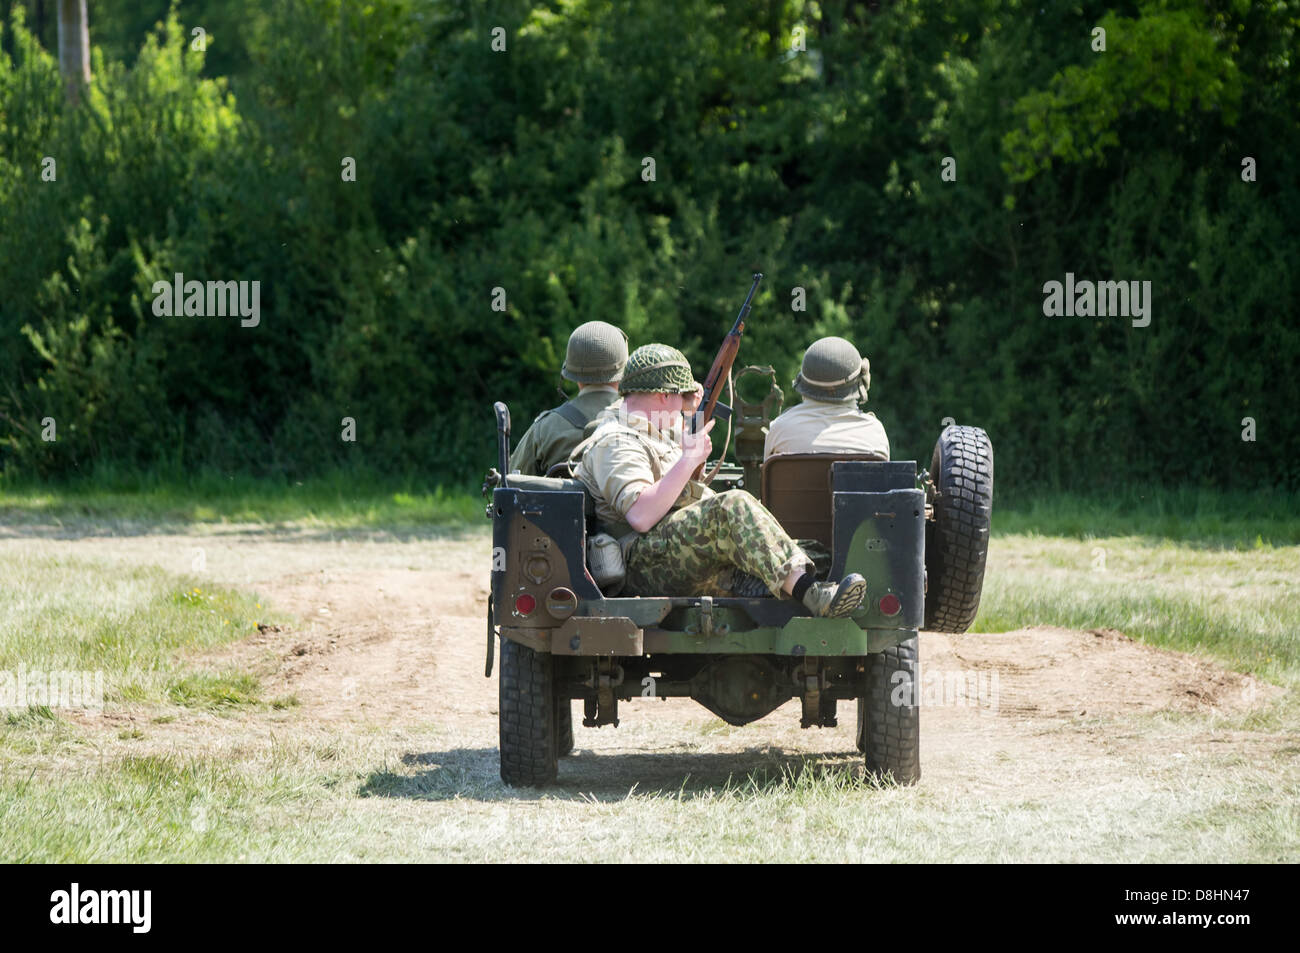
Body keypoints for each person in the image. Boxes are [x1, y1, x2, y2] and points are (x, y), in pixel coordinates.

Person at [573, 344, 867, 618]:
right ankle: (812, 595)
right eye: (685, 396)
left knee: (812, 552)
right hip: (641, 564)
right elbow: (640, 515)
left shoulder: (652, 430)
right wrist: (687, 459)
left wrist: (690, 439)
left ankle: (752, 580)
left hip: (672, 550)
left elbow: (673, 486)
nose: (688, 405)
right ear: (664, 396)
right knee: (732, 505)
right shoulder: (616, 441)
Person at [509, 321, 629, 476]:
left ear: (571, 373)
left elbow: (511, 486)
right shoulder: (646, 422)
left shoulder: (545, 428)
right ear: (624, 372)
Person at [763, 336, 890, 459]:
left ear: (803, 385)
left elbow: (766, 479)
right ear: (861, 385)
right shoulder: (874, 432)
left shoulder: (779, 429)